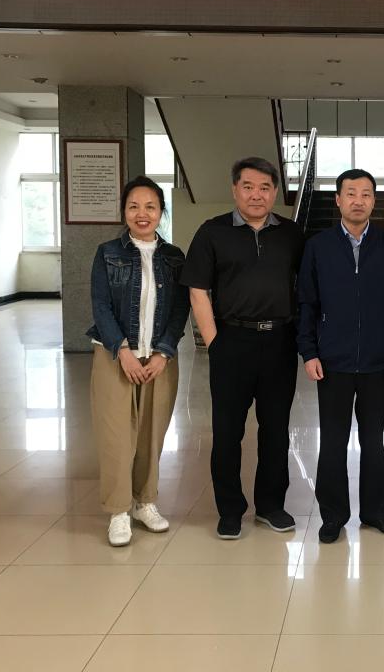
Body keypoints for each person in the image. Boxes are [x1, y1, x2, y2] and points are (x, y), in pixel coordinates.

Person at [180, 157, 305, 540]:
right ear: (235, 189)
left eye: (265, 187)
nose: (256, 195)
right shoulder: (212, 232)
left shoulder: (291, 234)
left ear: (275, 192)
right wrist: (215, 343)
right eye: (248, 186)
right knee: (227, 431)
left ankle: (270, 505)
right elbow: (198, 290)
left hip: (280, 342)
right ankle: (230, 510)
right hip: (231, 341)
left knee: (276, 430)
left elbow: (307, 286)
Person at [297, 169, 384, 544]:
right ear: (338, 200)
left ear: (374, 201)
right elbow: (307, 303)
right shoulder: (318, 246)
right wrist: (309, 352)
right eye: (351, 193)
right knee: (332, 441)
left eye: (365, 194)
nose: (358, 200)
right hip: (332, 360)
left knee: (373, 439)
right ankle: (333, 515)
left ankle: (376, 512)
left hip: (378, 360)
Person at [87, 176, 190, 547]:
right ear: (124, 212)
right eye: (134, 206)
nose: (142, 214)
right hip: (114, 356)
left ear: (161, 212)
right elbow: (100, 306)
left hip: (160, 359)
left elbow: (180, 309)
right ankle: (118, 510)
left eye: (150, 206)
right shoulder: (107, 253)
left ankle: (145, 502)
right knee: (116, 435)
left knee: (152, 432)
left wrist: (164, 351)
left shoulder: (174, 257)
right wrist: (122, 350)